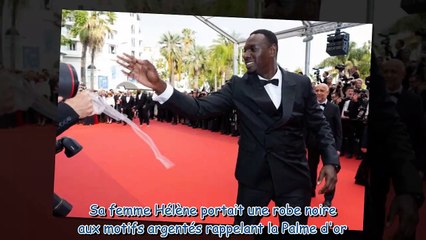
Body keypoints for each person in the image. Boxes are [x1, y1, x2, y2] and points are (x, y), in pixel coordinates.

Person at [117, 29, 340, 226]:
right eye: (244, 50)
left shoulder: (299, 84)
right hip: (253, 177)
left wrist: (330, 160)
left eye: (253, 49)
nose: (246, 55)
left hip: (294, 177)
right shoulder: (238, 86)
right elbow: (198, 109)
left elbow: (319, 125)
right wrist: (159, 85)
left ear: (272, 50)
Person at [306, 83, 342, 208]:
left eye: (322, 90)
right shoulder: (309, 107)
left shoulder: (334, 108)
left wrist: (337, 148)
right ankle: (310, 191)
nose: (319, 93)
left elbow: (338, 130)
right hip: (312, 144)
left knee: (330, 171)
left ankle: (328, 199)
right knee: (310, 169)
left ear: (327, 93)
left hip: (328, 145)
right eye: (317, 90)